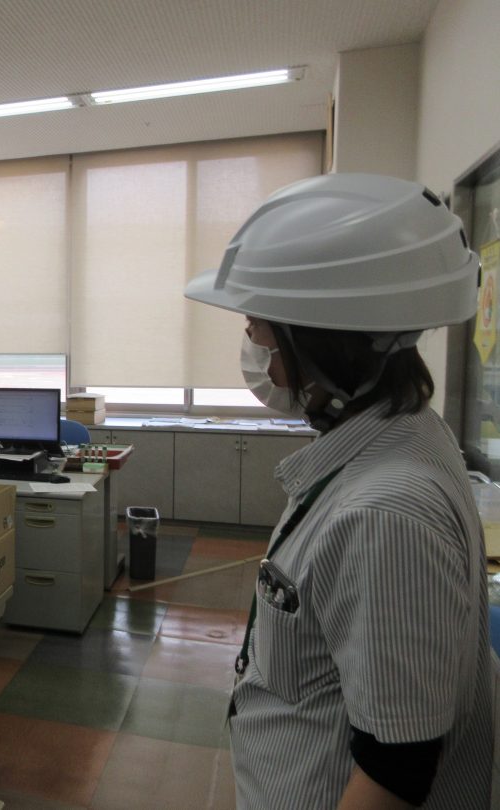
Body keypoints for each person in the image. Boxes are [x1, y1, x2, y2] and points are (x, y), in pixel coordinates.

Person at [184, 173, 494, 808]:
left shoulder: (385, 513)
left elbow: (396, 768)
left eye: (260, 329)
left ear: (324, 341)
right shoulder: (403, 431)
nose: (255, 350)